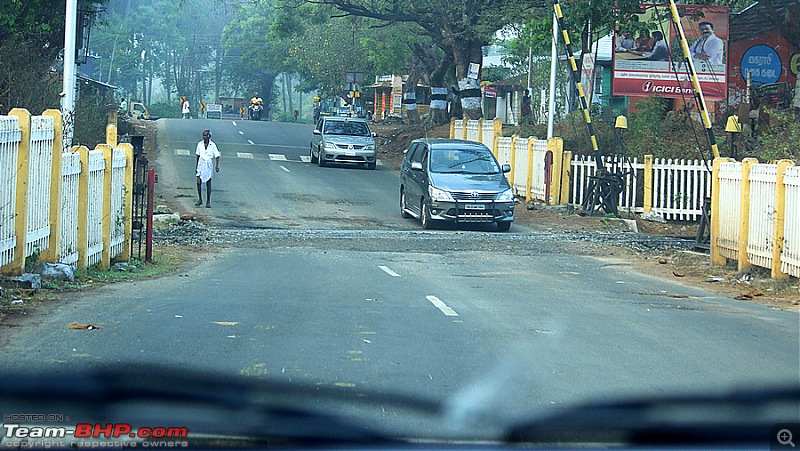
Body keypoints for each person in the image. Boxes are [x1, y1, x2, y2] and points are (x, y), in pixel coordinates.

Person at [195, 129, 220, 208]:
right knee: (199, 182)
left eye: (206, 135)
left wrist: (216, 166)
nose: (204, 137)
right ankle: (200, 199)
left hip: (208, 164)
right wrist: (197, 166)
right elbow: (198, 155)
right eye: (203, 135)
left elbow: (217, 155)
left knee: (208, 183)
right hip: (201, 163)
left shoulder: (212, 145)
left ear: (209, 136)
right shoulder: (200, 144)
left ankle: (208, 201)